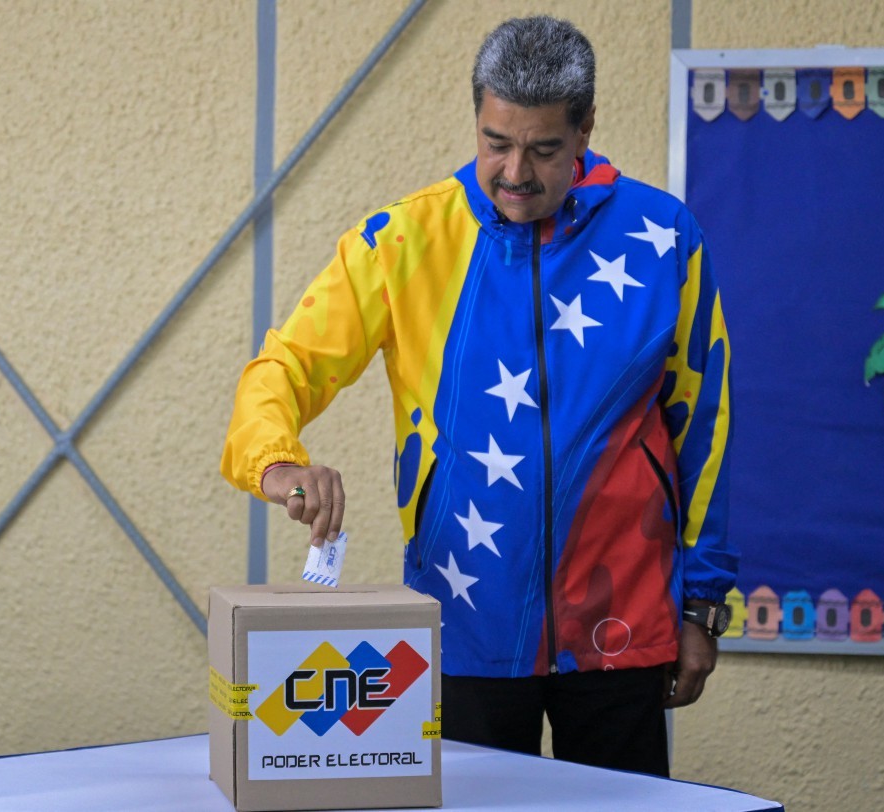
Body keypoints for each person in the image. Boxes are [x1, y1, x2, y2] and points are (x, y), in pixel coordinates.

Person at [220, 15, 736, 777]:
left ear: (586, 127)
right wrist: (280, 465)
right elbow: (284, 366)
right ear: (477, 117)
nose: (515, 172)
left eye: (544, 148)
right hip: (460, 626)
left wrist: (701, 605)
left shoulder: (665, 236)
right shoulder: (402, 240)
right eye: (496, 141)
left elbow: (705, 426)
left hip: (623, 624)